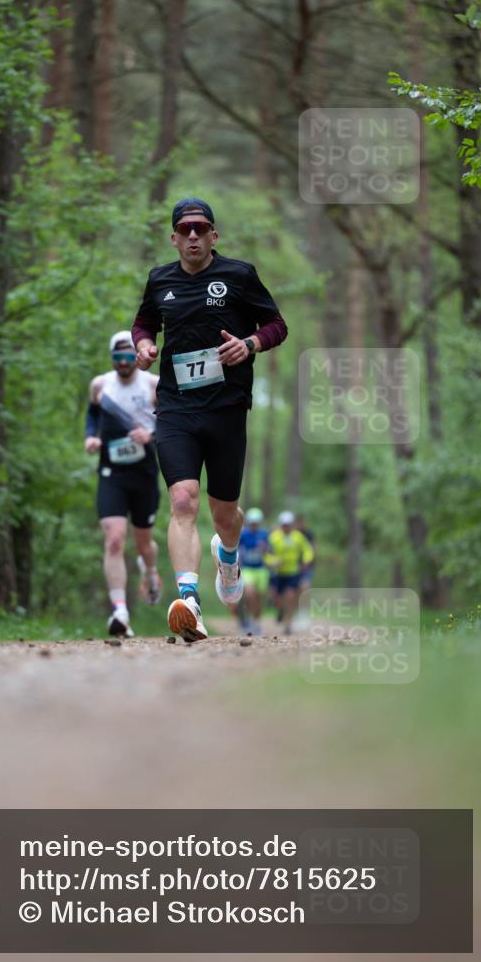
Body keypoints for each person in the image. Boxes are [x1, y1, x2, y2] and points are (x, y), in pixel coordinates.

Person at [132, 197, 288, 641]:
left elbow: (277, 325)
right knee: (182, 500)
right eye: (186, 230)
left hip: (226, 408)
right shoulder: (160, 280)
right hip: (177, 406)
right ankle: (189, 601)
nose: (194, 236)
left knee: (223, 515)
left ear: (214, 236)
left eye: (202, 229)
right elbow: (144, 322)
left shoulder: (239, 275)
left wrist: (251, 344)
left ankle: (230, 554)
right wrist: (143, 345)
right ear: (174, 238)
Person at [85, 331, 162, 638]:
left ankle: (151, 572)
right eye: (118, 357)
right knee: (115, 539)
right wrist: (92, 436)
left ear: (138, 357)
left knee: (143, 542)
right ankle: (120, 611)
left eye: (130, 356)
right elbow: (92, 415)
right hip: (111, 471)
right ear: (111, 358)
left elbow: (172, 420)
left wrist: (151, 435)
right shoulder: (100, 385)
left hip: (144, 471)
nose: (125, 363)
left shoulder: (154, 384)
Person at [267, 510, 314, 635]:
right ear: (281, 524)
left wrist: (306, 560)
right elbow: (266, 554)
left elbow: (307, 550)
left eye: (288, 524)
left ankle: (288, 624)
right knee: (278, 599)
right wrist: (273, 561)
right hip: (278, 573)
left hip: (293, 572)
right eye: (284, 524)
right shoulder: (274, 537)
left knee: (290, 597)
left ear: (291, 525)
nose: (286, 527)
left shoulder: (298, 537)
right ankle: (281, 610)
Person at [237, 507, 270, 636]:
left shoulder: (264, 534)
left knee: (260, 598)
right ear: (248, 522)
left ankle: (256, 622)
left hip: (261, 570)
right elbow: (237, 549)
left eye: (256, 522)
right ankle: (249, 620)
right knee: (250, 594)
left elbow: (270, 551)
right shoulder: (243, 534)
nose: (254, 525)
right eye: (252, 522)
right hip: (248, 569)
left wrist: (265, 548)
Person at [294, 513, 316, 594]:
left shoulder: (309, 534)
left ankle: (305, 605)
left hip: (307, 565)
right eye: (298, 522)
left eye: (301, 522)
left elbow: (313, 548)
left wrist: (307, 562)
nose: (299, 525)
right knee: (295, 588)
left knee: (305, 585)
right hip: (294, 565)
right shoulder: (293, 535)